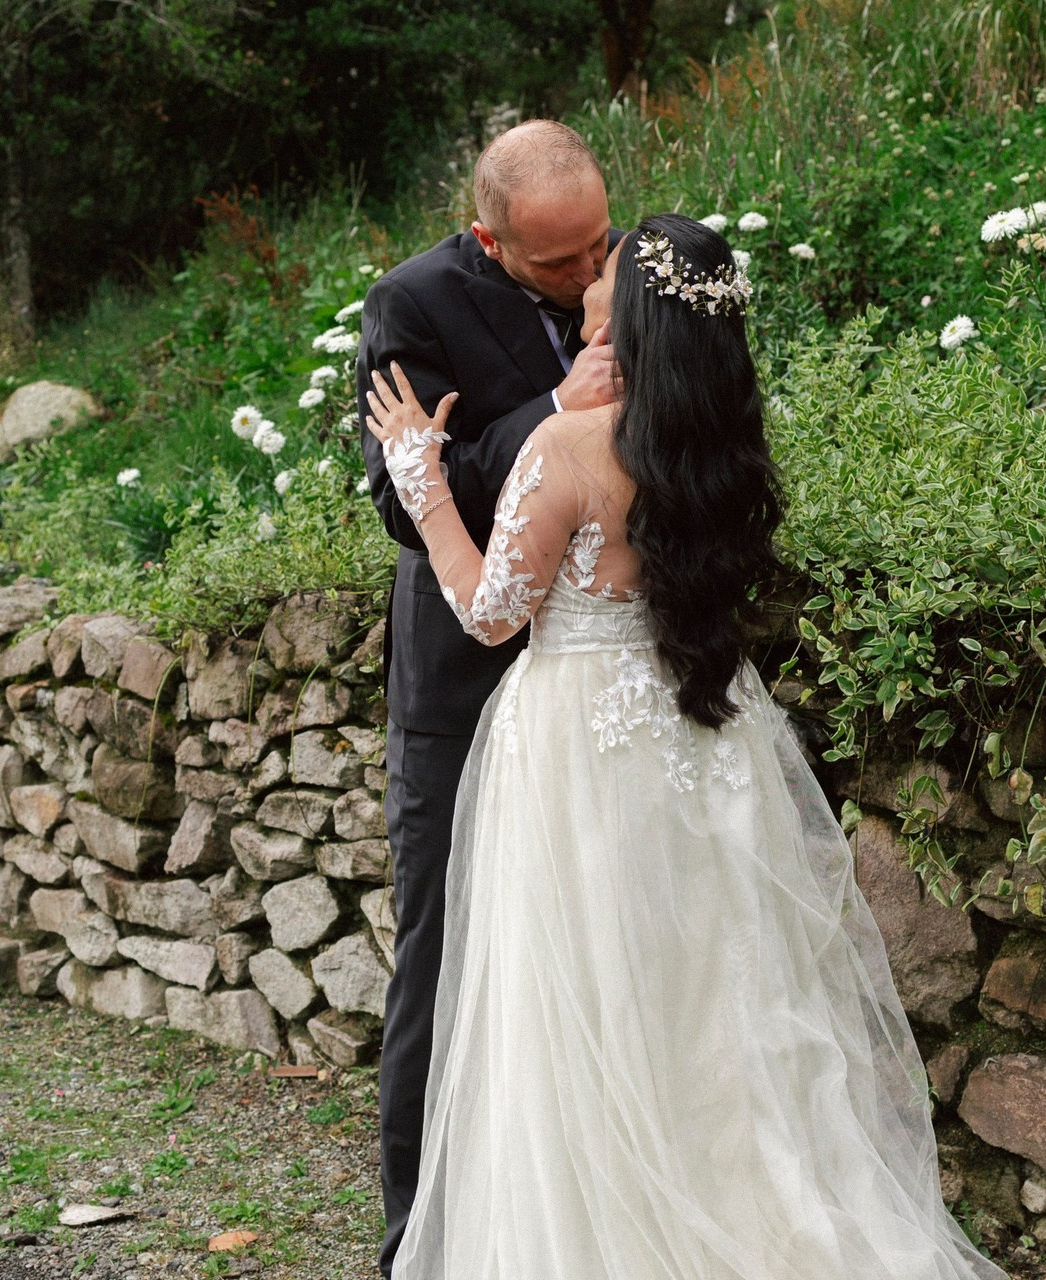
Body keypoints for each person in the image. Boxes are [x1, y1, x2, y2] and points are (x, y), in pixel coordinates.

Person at [363, 212, 1011, 1279]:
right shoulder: (715, 438)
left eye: (608, 261)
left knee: (584, 1003)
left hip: (576, 741)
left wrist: (420, 480)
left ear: (631, 309)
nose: (592, 268)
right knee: (713, 997)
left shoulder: (568, 446)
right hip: (702, 729)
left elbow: (486, 610)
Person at [355, 119, 622, 1276]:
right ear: (487, 237)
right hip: (464, 683)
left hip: (609, 682)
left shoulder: (637, 275)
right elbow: (397, 495)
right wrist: (553, 410)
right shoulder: (409, 303)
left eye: (595, 248)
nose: (583, 279)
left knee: (605, 950)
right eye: (556, 264)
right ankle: (421, 1230)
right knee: (445, 948)